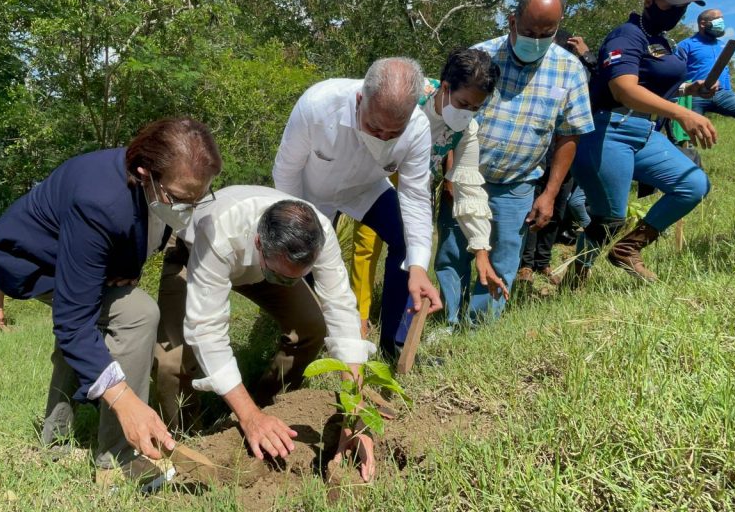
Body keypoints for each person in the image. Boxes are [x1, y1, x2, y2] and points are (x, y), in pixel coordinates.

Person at [0, 118, 222, 477]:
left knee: (96, 322)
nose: (186, 208)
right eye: (179, 198)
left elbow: (138, 233)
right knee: (137, 313)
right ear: (145, 172)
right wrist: (125, 400)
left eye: (198, 199)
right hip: (30, 259)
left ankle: (55, 440)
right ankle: (120, 458)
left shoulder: (162, 188)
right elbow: (73, 322)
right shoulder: (99, 201)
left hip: (77, 252)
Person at [155, 186, 377, 480]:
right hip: (193, 251)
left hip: (267, 265)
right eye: (281, 278)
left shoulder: (318, 232)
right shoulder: (220, 232)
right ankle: (190, 437)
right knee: (171, 362)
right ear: (259, 242)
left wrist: (354, 415)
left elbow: (340, 309)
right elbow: (207, 331)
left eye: (294, 277)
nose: (286, 283)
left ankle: (270, 404)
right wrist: (250, 419)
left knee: (310, 327)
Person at [272, 57, 443, 357]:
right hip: (312, 196)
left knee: (407, 243)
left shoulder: (417, 129)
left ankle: (392, 344)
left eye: (394, 133)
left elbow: (415, 196)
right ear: (360, 99)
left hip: (367, 189)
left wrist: (418, 267)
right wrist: (293, 225)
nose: (383, 138)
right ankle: (316, 343)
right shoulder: (317, 105)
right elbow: (286, 171)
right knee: (307, 262)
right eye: (375, 128)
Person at [448, 0, 594, 322]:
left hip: (518, 185)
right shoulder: (480, 57)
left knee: (503, 259)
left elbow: (569, 136)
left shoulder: (570, 70)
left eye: (548, 32)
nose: (537, 39)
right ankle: (450, 321)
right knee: (454, 254)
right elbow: (453, 116)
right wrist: (450, 170)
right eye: (530, 31)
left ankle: (481, 327)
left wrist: (550, 193)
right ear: (512, 21)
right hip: (466, 178)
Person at [567, 0, 718, 285]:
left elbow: (655, 87)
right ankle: (574, 278)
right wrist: (681, 113)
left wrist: (693, 89)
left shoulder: (661, 41)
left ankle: (628, 249)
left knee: (693, 185)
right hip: (609, 129)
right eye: (670, 4)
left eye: (684, 6)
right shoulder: (626, 35)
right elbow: (624, 89)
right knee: (609, 218)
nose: (677, 12)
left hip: (643, 131)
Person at [425, 49, 505, 326]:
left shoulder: (466, 131)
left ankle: (397, 334)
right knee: (364, 251)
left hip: (416, 185)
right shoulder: (410, 97)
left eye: (476, 108)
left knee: (410, 254)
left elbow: (468, 186)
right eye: (463, 103)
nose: (467, 113)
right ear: (445, 87)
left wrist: (481, 252)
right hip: (372, 177)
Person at [517, 30, 596, 286]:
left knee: (557, 211)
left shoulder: (578, 74)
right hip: (540, 154)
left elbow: (600, 86)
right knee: (534, 210)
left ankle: (543, 261)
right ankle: (525, 264)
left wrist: (587, 57)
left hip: (567, 155)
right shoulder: (538, 74)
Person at [678, 8, 735, 166]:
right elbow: (675, 72)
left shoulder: (722, 45)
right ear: (703, 23)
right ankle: (689, 168)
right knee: (686, 132)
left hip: (723, 94)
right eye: (718, 20)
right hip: (695, 96)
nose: (722, 24)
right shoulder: (686, 45)